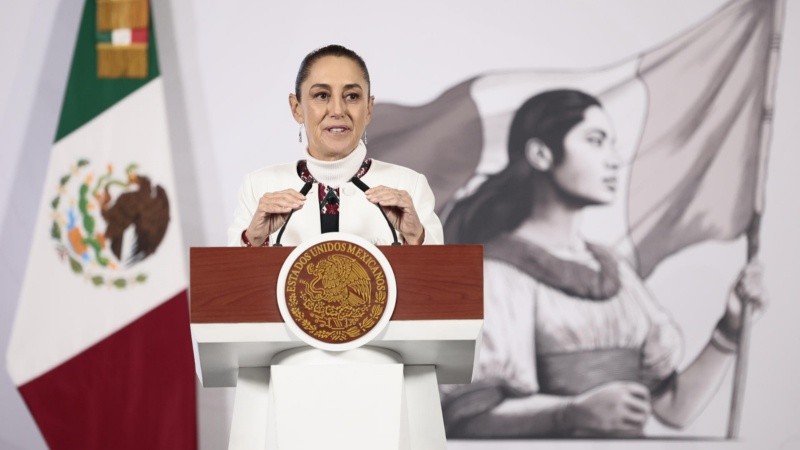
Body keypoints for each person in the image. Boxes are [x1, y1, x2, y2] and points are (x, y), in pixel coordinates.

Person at [440, 89, 767, 438]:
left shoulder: (615, 270)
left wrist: (729, 330)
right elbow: (466, 417)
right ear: (541, 154)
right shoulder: (493, 272)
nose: (613, 160)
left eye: (612, 144)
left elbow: (674, 409)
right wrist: (571, 413)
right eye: (595, 141)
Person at [227, 45, 443, 247]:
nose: (338, 110)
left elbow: (439, 271)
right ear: (296, 108)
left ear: (369, 109)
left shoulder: (409, 186)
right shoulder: (258, 187)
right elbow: (229, 271)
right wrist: (253, 239)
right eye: (322, 95)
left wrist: (416, 236)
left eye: (352, 96)